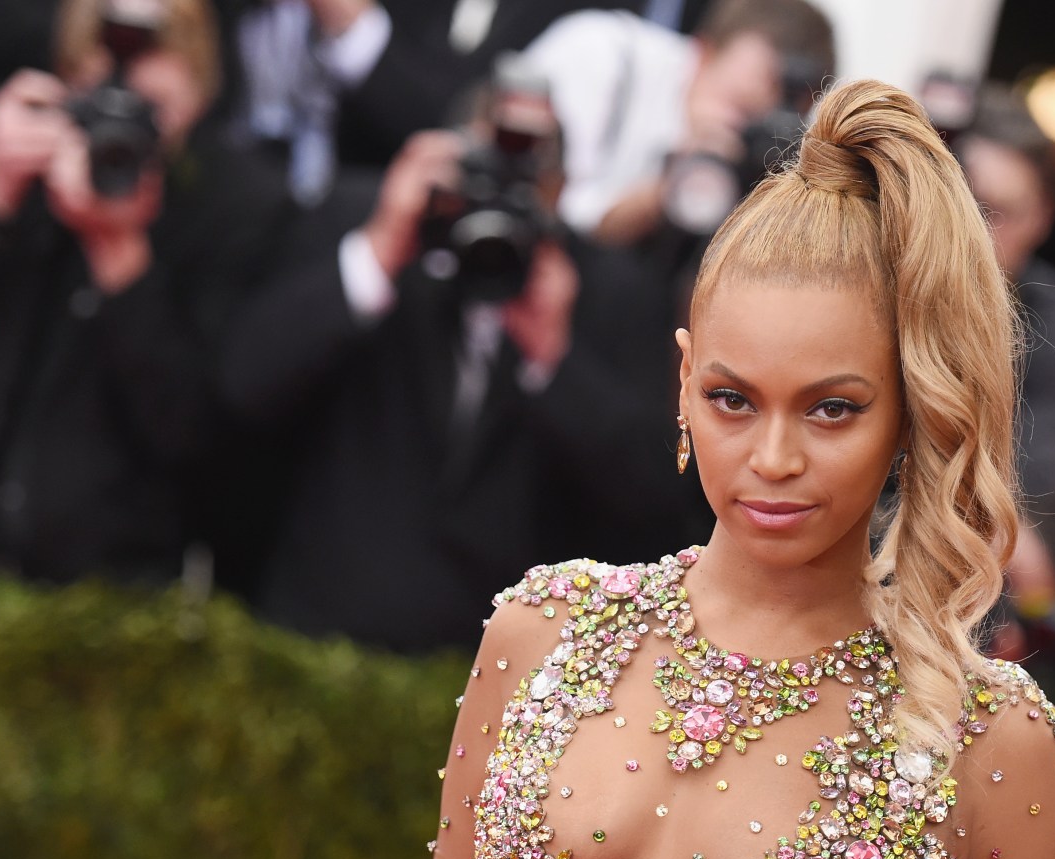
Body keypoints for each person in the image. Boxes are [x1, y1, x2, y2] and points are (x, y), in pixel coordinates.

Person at [399, 79, 1055, 859]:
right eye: (732, 399)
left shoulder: (992, 739)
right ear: (683, 382)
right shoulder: (540, 631)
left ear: (912, 411)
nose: (774, 458)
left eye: (832, 409)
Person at [216, 64, 698, 651]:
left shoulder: (610, 292)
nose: (506, 194)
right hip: (314, 640)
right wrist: (377, 256)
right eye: (485, 169)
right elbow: (242, 386)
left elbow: (656, 500)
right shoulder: (366, 224)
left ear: (563, 187)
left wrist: (553, 360)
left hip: (504, 667)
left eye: (530, 174)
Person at [0, 0, 290, 585]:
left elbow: (192, 433)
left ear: (202, 89)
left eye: (149, 107)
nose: (118, 119)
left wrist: (120, 252)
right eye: (100, 91)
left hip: (100, 592)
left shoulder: (239, 206)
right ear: (66, 70)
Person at [520, 0, 836, 245]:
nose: (737, 136)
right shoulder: (598, 54)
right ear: (703, 53)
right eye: (739, 107)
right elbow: (565, 212)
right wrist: (676, 186)